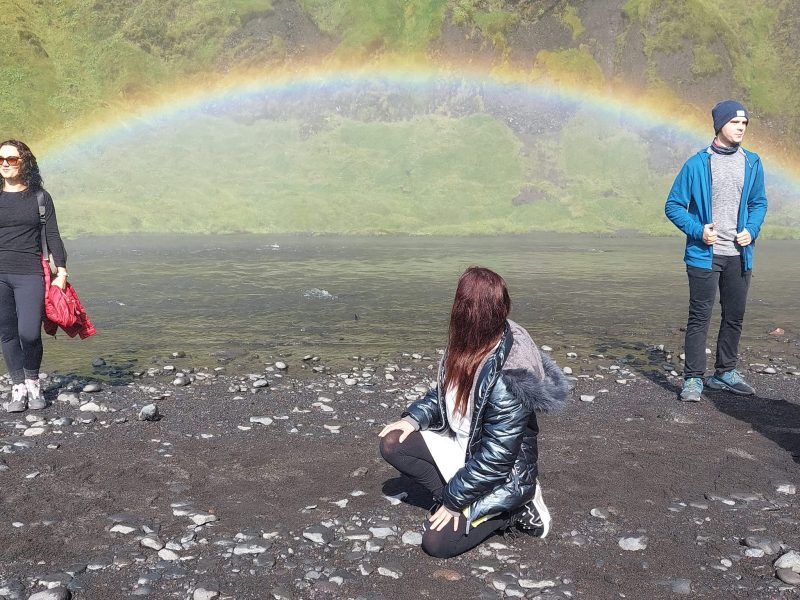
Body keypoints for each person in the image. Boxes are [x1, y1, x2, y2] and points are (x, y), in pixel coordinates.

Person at [378, 266, 568, 558]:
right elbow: (445, 396)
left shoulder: (510, 374)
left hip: (501, 475)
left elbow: (496, 459)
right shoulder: (467, 341)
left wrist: (453, 501)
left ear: (465, 310)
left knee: (437, 544)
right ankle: (457, 501)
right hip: (463, 444)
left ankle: (517, 509)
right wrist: (413, 418)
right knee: (393, 441)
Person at [665, 100, 768, 402]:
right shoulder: (697, 164)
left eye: (745, 123)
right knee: (700, 317)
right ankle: (694, 379)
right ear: (720, 124)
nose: (741, 128)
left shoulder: (752, 162)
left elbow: (758, 202)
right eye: (736, 122)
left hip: (740, 254)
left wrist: (752, 228)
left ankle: (724, 372)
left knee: (734, 315)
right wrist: (699, 230)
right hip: (704, 255)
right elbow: (673, 205)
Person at [0, 140, 68, 412]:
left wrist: (61, 270)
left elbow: (52, 235)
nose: (5, 163)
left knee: (29, 333)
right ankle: (17, 387)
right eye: (1, 159)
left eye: (12, 159)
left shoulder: (40, 197)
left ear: (24, 161)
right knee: (6, 333)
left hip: (30, 272)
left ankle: (32, 381)